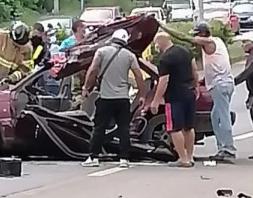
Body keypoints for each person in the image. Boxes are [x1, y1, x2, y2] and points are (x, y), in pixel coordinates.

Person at [159, 21, 236, 162]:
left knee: (222, 116)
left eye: (196, 35)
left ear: (202, 34)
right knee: (215, 117)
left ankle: (228, 149)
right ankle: (223, 147)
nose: (195, 39)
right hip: (222, 83)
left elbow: (184, 38)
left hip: (220, 84)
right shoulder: (217, 42)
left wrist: (163, 26)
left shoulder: (209, 42)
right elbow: (214, 65)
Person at [81, 29, 147, 168]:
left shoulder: (101, 52)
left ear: (112, 38)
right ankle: (124, 159)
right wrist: (142, 94)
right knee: (124, 128)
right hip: (123, 98)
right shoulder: (130, 55)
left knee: (99, 127)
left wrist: (86, 88)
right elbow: (138, 75)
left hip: (105, 97)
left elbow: (92, 70)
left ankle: (94, 157)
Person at [149, 31, 199, 167]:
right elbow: (194, 69)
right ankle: (190, 156)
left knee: (174, 128)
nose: (156, 48)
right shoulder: (185, 51)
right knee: (188, 127)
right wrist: (196, 86)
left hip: (175, 95)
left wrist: (156, 100)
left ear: (160, 43)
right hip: (189, 93)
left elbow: (164, 80)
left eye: (156, 45)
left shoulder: (166, 58)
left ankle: (183, 159)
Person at [0, 21, 33, 85]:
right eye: (15, 44)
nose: (19, 47)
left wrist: (11, 78)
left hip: (7, 84)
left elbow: (25, 68)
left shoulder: (28, 49)